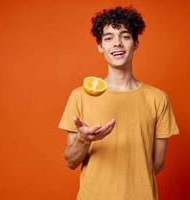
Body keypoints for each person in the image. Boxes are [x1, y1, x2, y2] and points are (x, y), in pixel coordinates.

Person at [58, 6, 180, 200]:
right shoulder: (79, 96)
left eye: (125, 36)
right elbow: (70, 162)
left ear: (136, 43)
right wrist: (84, 139)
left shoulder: (158, 99)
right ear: (100, 47)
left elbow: (157, 163)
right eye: (108, 38)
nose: (117, 43)